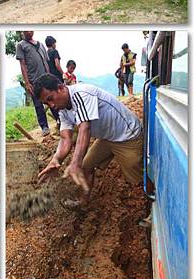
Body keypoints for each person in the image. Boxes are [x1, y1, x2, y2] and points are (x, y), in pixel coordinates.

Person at [35, 75, 143, 207]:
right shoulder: (62, 109)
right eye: (47, 103)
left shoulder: (81, 94)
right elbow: (65, 139)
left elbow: (84, 128)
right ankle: (83, 202)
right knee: (86, 166)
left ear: (61, 88)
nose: (52, 105)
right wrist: (56, 160)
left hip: (127, 136)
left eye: (50, 99)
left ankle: (149, 207)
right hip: (107, 137)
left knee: (136, 179)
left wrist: (75, 163)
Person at [16, 31, 58, 135]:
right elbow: (22, 64)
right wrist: (27, 83)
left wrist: (49, 76)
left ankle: (60, 120)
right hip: (33, 80)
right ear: (23, 32)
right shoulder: (21, 45)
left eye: (30, 29)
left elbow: (46, 62)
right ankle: (44, 127)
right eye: (26, 30)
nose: (29, 32)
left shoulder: (41, 45)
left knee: (52, 100)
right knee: (38, 104)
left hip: (45, 78)